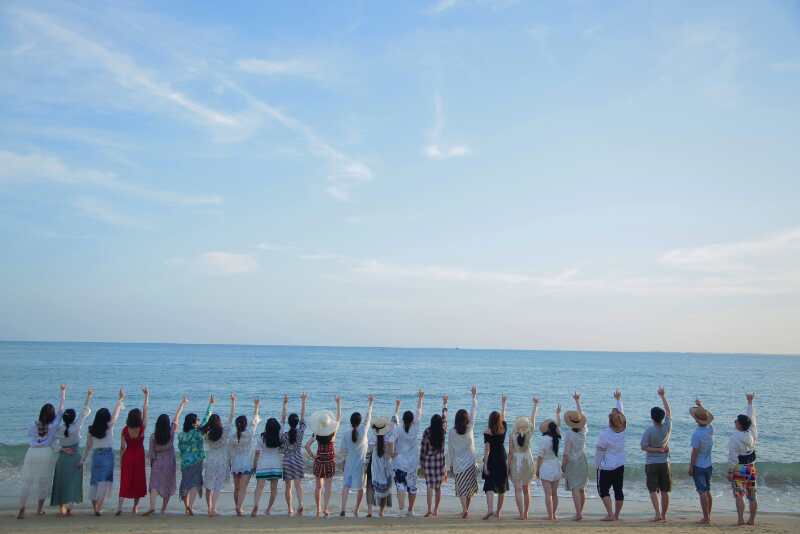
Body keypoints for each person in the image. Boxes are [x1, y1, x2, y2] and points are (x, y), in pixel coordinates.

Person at [18, 384, 66, 519]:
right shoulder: (54, 425)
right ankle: (39, 509)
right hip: (46, 453)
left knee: (27, 482)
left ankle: (22, 508)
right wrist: (63, 392)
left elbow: (30, 436)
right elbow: (61, 409)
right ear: (52, 415)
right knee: (43, 482)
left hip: (32, 452)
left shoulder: (33, 425)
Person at [80, 388, 125, 516]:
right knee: (104, 482)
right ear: (107, 418)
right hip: (107, 455)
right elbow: (116, 414)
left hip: (95, 456)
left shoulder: (91, 429)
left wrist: (82, 460)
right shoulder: (109, 426)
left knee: (94, 481)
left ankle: (95, 507)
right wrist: (120, 399)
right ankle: (98, 508)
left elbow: (88, 446)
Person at [142, 396, 188, 516]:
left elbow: (151, 453)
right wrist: (182, 404)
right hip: (169, 463)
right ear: (167, 424)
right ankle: (163, 509)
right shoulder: (171, 433)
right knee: (167, 485)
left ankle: (152, 506)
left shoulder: (153, 436)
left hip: (157, 463)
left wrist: (152, 465)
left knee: (154, 485)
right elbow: (176, 417)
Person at [51, 387, 93, 517]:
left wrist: (62, 449)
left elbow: (52, 444)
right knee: (73, 483)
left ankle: (62, 509)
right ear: (73, 418)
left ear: (64, 419)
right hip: (75, 458)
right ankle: (69, 509)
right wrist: (89, 396)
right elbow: (84, 411)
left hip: (63, 459)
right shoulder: (76, 426)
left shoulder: (59, 429)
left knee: (61, 482)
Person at [305, 396, 342, 518]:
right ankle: (325, 508)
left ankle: (318, 509)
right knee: (328, 486)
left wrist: (313, 456)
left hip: (319, 461)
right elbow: (339, 419)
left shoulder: (316, 433)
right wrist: (338, 403)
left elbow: (307, 446)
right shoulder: (332, 433)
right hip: (330, 462)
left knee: (318, 487)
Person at [446, 385, 478, 519]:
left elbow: (450, 450)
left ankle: (465, 509)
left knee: (461, 489)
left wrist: (447, 466)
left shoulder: (452, 432)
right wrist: (474, 396)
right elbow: (474, 412)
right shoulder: (469, 428)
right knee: (469, 488)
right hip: (470, 463)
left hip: (458, 465)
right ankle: (465, 510)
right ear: (466, 420)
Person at [338, 395, 373, 517]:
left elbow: (342, 451)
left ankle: (343, 509)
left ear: (351, 422)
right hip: (360, 465)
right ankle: (356, 509)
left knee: (346, 486)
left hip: (349, 464)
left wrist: (343, 461)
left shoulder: (346, 434)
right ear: (359, 422)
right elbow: (368, 418)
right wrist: (370, 404)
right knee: (361, 488)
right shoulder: (363, 430)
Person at [640, 386, 672, 522]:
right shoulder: (667, 427)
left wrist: (656, 450)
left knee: (653, 490)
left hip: (652, 463)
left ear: (652, 418)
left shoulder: (649, 430)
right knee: (665, 490)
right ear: (662, 417)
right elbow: (669, 412)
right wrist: (663, 396)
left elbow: (643, 447)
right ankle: (663, 515)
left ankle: (658, 514)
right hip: (664, 463)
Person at [116, 386, 149, 515]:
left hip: (128, 456)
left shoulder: (124, 430)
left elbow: (122, 447)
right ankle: (135, 507)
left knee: (125, 480)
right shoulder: (142, 428)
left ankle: (119, 507)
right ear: (139, 418)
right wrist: (146, 396)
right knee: (138, 481)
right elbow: (145, 410)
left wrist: (121, 460)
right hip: (139, 456)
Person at [177, 396, 213, 515]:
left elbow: (180, 448)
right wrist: (211, 404)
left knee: (185, 483)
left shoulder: (181, 435)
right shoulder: (198, 432)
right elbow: (206, 418)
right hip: (197, 461)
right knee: (195, 483)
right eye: (197, 419)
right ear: (193, 423)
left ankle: (186, 507)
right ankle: (190, 506)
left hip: (185, 462)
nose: (198, 421)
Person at [201, 393, 235, 517]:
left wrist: (210, 404)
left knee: (208, 486)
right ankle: (213, 508)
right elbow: (231, 417)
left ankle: (209, 508)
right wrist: (233, 402)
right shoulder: (224, 431)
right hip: (222, 461)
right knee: (217, 486)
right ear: (219, 422)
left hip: (210, 460)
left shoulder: (206, 434)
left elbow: (205, 420)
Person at [392, 390, 425, 516]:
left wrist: (392, 453)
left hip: (400, 462)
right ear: (412, 420)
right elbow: (419, 412)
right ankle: (410, 510)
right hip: (412, 462)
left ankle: (401, 505)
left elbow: (390, 440)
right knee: (412, 487)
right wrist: (420, 399)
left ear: (403, 419)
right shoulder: (415, 427)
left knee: (400, 484)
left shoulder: (398, 429)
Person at [595, 388, 626, 521]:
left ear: (609, 422)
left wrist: (597, 465)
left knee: (603, 490)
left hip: (606, 467)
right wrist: (618, 399)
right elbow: (621, 415)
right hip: (620, 464)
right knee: (618, 490)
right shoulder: (624, 429)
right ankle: (616, 515)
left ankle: (610, 514)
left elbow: (600, 451)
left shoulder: (604, 434)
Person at [728, 393, 758, 526]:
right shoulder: (751, 432)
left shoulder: (735, 437)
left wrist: (730, 472)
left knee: (739, 495)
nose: (735, 422)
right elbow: (752, 418)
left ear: (740, 425)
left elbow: (733, 458)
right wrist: (750, 403)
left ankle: (740, 519)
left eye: (737, 421)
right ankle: (751, 520)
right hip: (751, 467)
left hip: (740, 468)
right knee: (752, 496)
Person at [508, 396, 539, 520]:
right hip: (527, 461)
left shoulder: (512, 435)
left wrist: (507, 467)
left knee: (517, 489)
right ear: (526, 426)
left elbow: (510, 453)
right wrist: (535, 405)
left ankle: (520, 514)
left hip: (516, 462)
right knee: (526, 489)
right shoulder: (529, 434)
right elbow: (533, 420)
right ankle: (526, 513)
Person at [230, 398, 261, 516]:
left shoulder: (233, 436)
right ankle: (239, 507)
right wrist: (256, 407)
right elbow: (255, 421)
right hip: (246, 464)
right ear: (245, 424)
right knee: (243, 488)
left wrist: (233, 402)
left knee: (236, 488)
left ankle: (237, 507)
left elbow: (231, 451)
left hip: (236, 463)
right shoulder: (249, 433)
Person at [419, 395, 448, 518]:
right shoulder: (443, 430)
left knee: (429, 487)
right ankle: (436, 510)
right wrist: (445, 404)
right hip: (440, 463)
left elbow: (423, 449)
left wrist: (421, 464)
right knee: (438, 488)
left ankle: (429, 510)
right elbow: (445, 418)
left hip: (429, 463)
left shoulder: (427, 431)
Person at [562, 391, 588, 521]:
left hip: (573, 462)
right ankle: (580, 512)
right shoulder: (584, 430)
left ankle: (578, 513)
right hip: (582, 460)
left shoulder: (569, 434)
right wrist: (577, 401)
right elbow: (581, 415)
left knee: (575, 488)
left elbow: (566, 453)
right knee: (581, 488)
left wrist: (563, 466)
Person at [481, 393, 508, 520]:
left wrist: (485, 465)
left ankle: (490, 509)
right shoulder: (504, 428)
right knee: (502, 486)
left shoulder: (487, 431)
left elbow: (487, 450)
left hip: (492, 458)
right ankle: (498, 512)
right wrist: (504, 404)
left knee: (489, 485)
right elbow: (503, 416)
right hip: (502, 457)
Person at [280, 392, 307, 516]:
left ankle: (290, 508)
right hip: (298, 459)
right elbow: (303, 417)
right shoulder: (300, 432)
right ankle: (301, 504)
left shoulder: (283, 435)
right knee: (298, 484)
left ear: (289, 423)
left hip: (287, 461)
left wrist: (285, 404)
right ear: (297, 423)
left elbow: (282, 421)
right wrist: (303, 401)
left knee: (288, 487)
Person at [688, 398, 714, 524]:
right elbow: (710, 417)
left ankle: (706, 518)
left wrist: (691, 467)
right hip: (708, 465)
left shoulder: (696, 434)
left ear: (695, 420)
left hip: (699, 466)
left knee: (702, 492)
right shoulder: (710, 429)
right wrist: (701, 406)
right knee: (707, 491)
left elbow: (694, 453)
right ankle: (708, 515)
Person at [252, 417, 283, 515]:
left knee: (259, 487)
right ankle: (268, 509)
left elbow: (257, 453)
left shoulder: (262, 437)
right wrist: (284, 408)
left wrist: (254, 465)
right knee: (273, 488)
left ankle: (256, 505)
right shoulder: (280, 436)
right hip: (276, 464)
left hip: (263, 464)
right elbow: (283, 420)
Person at [536, 405, 562, 521]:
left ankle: (550, 515)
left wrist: (537, 470)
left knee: (548, 494)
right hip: (556, 466)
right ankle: (554, 514)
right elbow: (558, 426)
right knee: (555, 493)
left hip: (546, 467)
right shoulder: (557, 438)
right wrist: (558, 414)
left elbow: (540, 457)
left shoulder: (544, 439)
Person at [368, 416, 395, 517]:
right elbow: (390, 455)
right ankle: (381, 511)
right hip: (386, 468)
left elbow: (370, 449)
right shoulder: (388, 438)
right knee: (385, 491)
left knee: (375, 488)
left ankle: (371, 510)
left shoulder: (372, 439)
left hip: (375, 469)